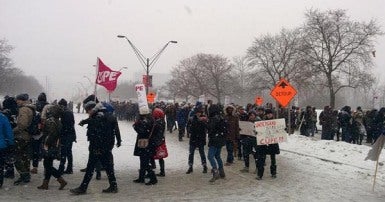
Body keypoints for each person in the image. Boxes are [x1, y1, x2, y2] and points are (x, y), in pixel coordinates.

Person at [70, 101, 118, 194]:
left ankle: (83, 188)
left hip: (97, 147)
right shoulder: (109, 116)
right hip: (105, 147)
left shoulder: (98, 118)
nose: (89, 112)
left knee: (90, 168)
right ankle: (113, 185)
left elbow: (97, 132)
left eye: (89, 110)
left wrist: (97, 147)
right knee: (107, 167)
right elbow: (113, 132)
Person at [37, 104, 67, 190]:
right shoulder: (58, 121)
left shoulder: (51, 121)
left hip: (49, 145)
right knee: (48, 164)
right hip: (55, 145)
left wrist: (46, 143)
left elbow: (51, 134)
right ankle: (45, 183)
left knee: (47, 165)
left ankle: (61, 180)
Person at [13, 93, 34, 185]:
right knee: (25, 157)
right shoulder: (30, 108)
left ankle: (24, 175)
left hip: (21, 136)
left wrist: (12, 130)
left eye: (18, 100)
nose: (17, 101)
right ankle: (26, 175)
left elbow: (22, 124)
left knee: (16, 156)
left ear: (22, 100)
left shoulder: (23, 109)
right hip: (27, 136)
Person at [132, 112, 158, 185]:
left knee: (144, 162)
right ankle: (141, 177)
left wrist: (136, 126)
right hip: (148, 144)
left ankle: (153, 178)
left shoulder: (146, 122)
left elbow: (142, 132)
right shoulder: (151, 121)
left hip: (145, 144)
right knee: (143, 161)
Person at [255, 109, 280, 180]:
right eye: (268, 114)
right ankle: (260, 174)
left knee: (273, 159)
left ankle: (273, 173)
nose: (269, 115)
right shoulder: (262, 122)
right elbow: (259, 131)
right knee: (262, 159)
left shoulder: (276, 122)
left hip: (272, 143)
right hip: (264, 143)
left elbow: (279, 131)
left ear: (272, 114)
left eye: (270, 114)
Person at [207, 104, 227, 183]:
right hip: (220, 139)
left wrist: (206, 123)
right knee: (217, 156)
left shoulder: (214, 118)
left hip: (215, 139)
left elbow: (210, 128)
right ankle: (221, 171)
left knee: (210, 156)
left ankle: (215, 172)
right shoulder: (221, 117)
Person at [31, 92, 48, 174]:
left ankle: (35, 167)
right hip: (45, 130)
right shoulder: (48, 106)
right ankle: (46, 168)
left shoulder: (35, 105)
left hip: (36, 131)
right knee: (45, 149)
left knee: (35, 149)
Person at [186, 108, 208, 174]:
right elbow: (188, 126)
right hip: (193, 138)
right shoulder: (192, 119)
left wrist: (203, 121)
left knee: (202, 153)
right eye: (197, 112)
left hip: (200, 138)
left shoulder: (204, 119)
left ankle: (204, 166)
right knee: (191, 153)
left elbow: (206, 128)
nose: (198, 113)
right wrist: (190, 131)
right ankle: (190, 166)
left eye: (200, 112)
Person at [58, 98, 77, 174]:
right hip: (70, 134)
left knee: (64, 151)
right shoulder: (68, 112)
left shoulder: (65, 113)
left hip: (66, 135)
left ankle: (62, 168)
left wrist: (61, 131)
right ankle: (69, 168)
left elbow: (66, 125)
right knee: (68, 151)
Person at [151, 107, 167, 177]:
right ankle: (162, 170)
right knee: (160, 156)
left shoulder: (156, 123)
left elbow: (153, 132)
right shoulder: (162, 122)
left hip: (155, 141)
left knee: (151, 155)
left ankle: (153, 167)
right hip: (160, 140)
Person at [0, 110, 14, 188]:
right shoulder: (3, 117)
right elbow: (8, 132)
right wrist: (10, 143)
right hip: (1, 145)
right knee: (0, 164)